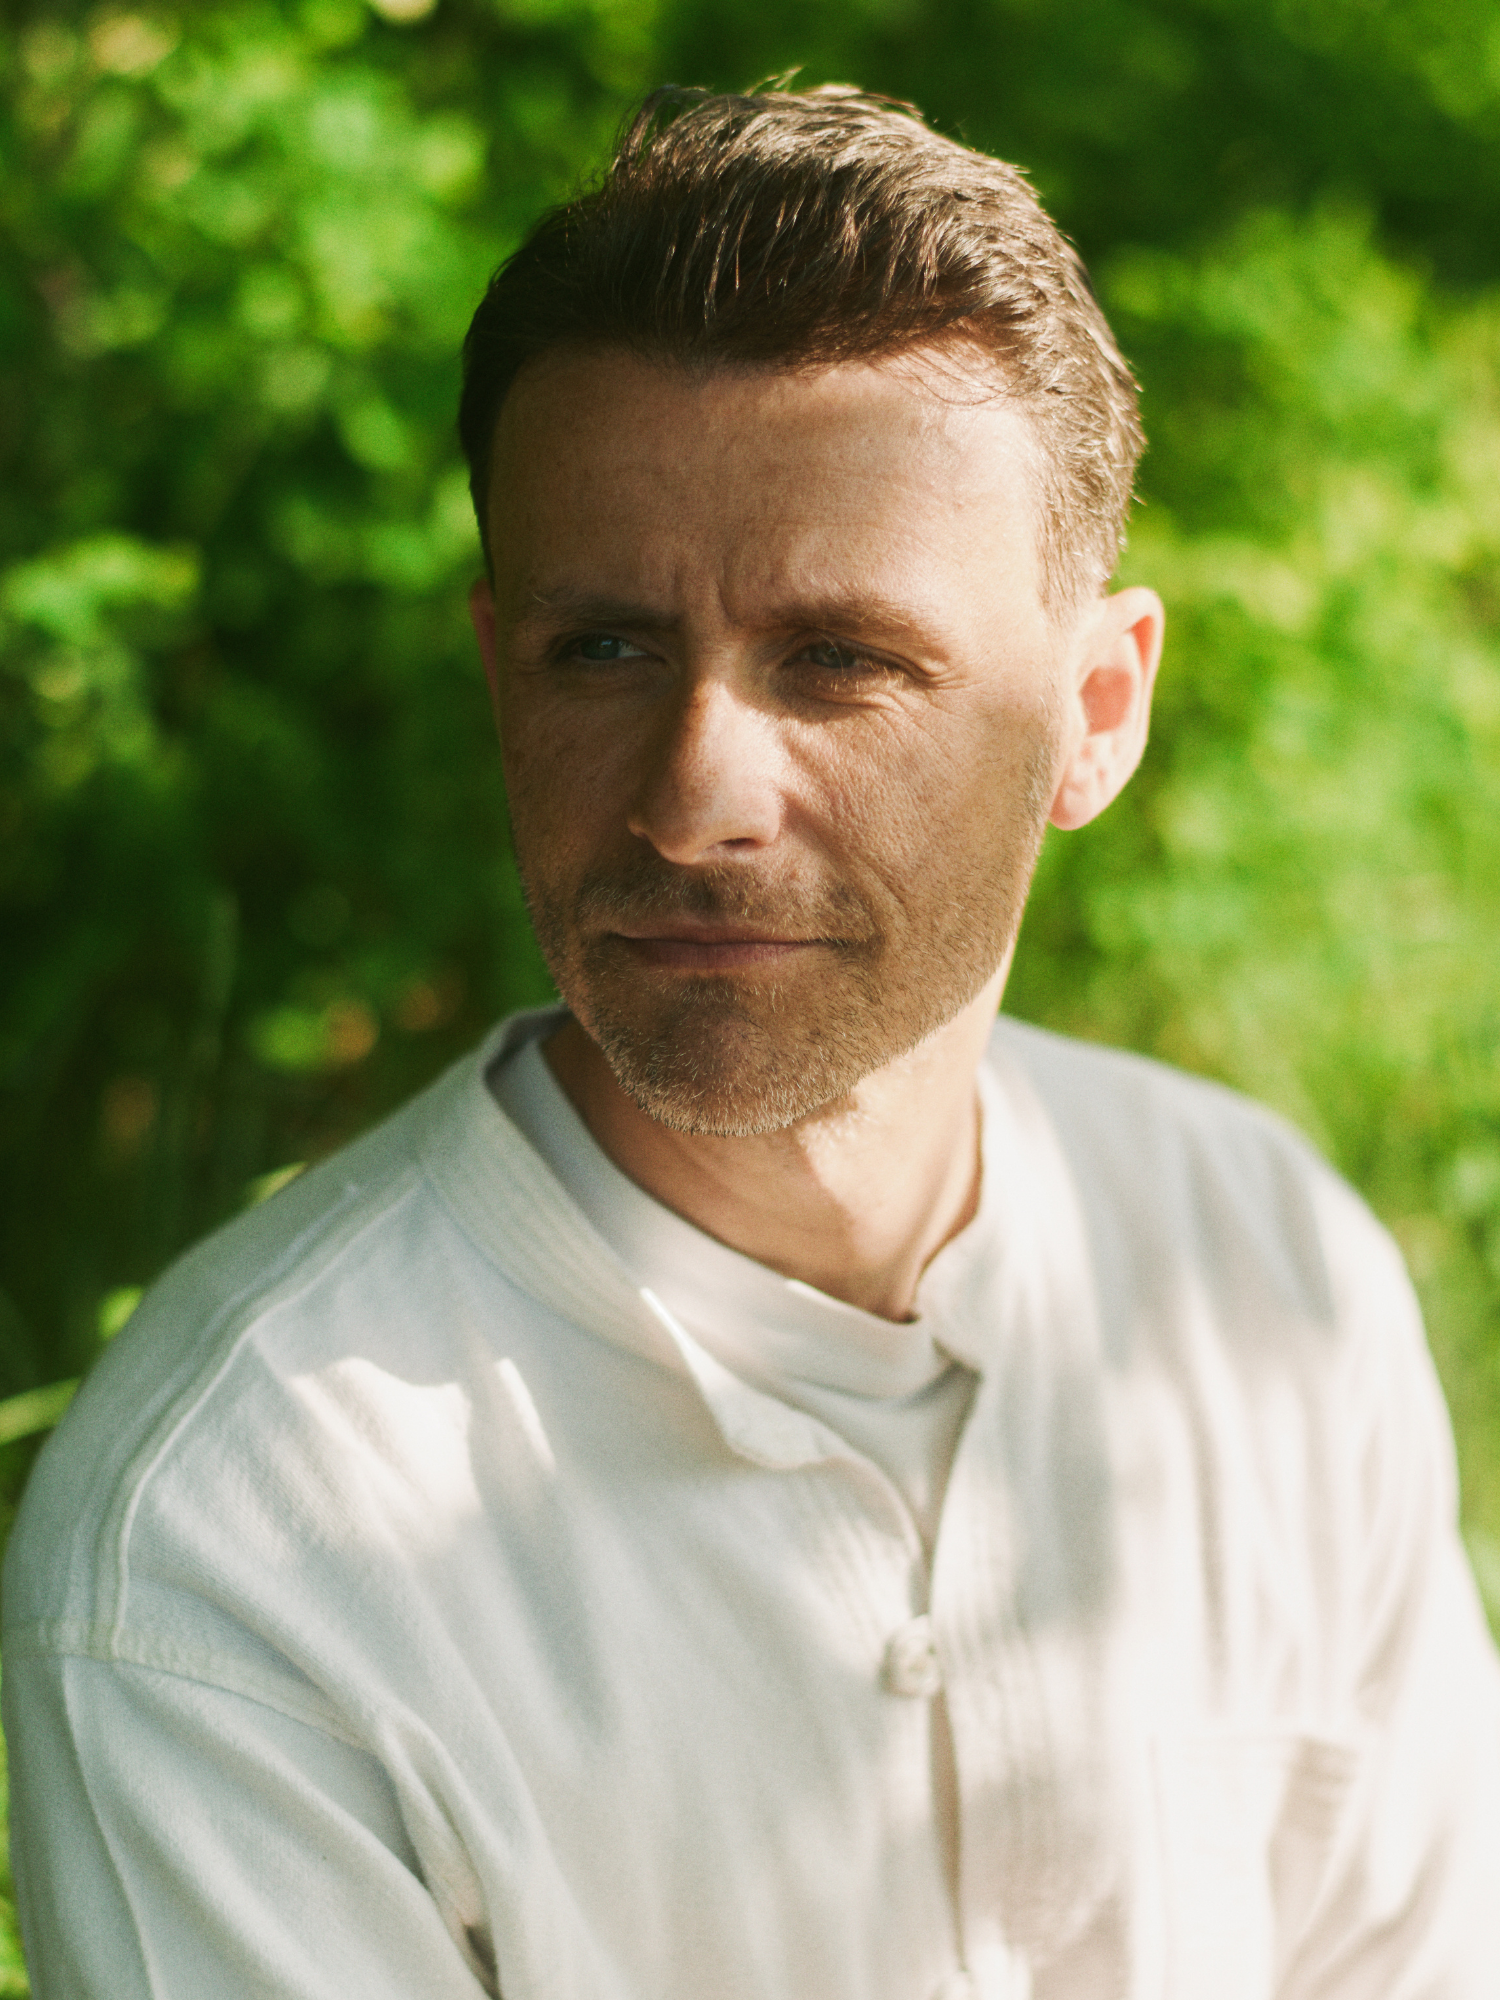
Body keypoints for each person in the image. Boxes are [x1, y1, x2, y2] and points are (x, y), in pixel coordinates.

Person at [5, 82, 1498, 2000]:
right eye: (605, 650)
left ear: (1096, 713)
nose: (696, 792)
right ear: (499, 674)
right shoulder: (234, 1545)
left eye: (840, 659)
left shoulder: (1262, 1271)